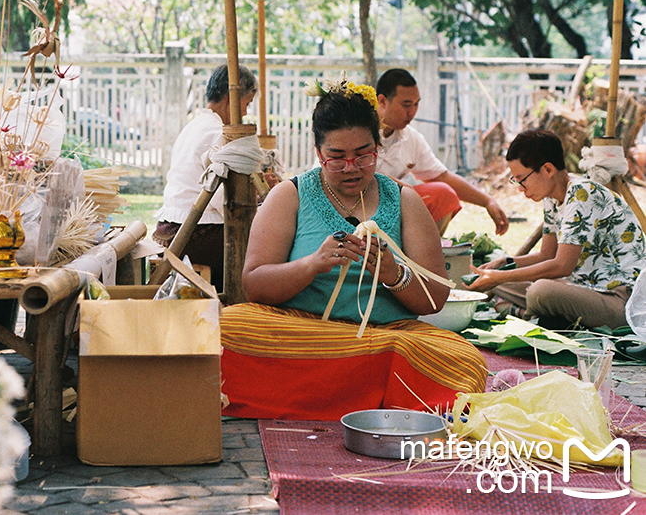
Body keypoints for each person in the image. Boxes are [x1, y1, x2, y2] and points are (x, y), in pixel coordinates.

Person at [220, 78, 487, 421]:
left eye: (363, 155)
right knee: (229, 326)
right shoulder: (290, 195)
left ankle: (319, 397)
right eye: (337, 157)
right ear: (319, 154)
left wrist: (395, 274)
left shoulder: (405, 200)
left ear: (378, 147)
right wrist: (312, 264)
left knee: (463, 358)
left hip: (384, 339)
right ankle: (369, 398)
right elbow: (254, 285)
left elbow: (434, 298)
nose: (351, 167)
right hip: (304, 334)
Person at [467, 129, 646, 330]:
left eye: (521, 179)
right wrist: (506, 264)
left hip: (621, 300)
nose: (520, 188)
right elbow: (546, 255)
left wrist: (501, 276)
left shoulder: (582, 193)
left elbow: (562, 266)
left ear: (548, 169)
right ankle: (537, 314)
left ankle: (526, 313)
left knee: (539, 291)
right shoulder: (552, 198)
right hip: (582, 288)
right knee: (503, 279)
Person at [153, 63, 257, 289]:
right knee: (262, 246)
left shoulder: (197, 124)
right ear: (231, 100)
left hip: (172, 226)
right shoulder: (215, 132)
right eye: (246, 104)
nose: (247, 112)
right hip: (192, 233)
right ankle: (237, 306)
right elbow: (225, 201)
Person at [375, 68, 508, 236]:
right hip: (357, 207)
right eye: (406, 105)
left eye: (416, 104)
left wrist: (487, 201)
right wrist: (403, 188)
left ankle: (421, 253)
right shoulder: (359, 131)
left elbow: (442, 176)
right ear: (382, 101)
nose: (412, 112)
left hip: (394, 208)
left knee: (443, 194)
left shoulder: (411, 138)